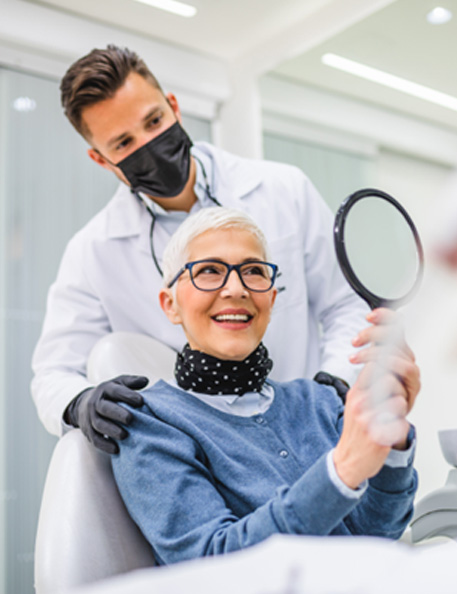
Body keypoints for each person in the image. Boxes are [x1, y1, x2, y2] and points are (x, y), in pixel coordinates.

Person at [31, 45, 369, 453]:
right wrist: (78, 402)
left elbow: (346, 305)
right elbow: (54, 371)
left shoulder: (283, 190)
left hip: (310, 432)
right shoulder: (94, 251)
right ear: (101, 160)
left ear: (174, 107)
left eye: (154, 121)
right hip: (201, 456)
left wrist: (333, 384)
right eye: (123, 143)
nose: (149, 145)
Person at [111, 207, 419, 566]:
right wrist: (342, 470)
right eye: (209, 271)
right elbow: (214, 567)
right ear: (171, 305)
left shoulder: (319, 402)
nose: (236, 289)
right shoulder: (151, 425)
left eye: (253, 272)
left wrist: (392, 441)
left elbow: (378, 532)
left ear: (271, 299)